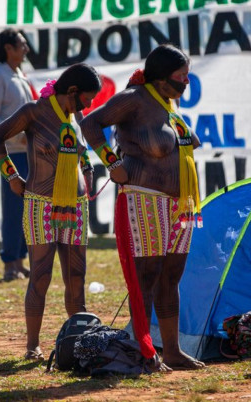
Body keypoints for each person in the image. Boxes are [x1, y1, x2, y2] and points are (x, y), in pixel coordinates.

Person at [80, 44, 205, 371]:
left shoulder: (168, 105)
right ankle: (144, 352)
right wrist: (111, 162)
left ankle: (173, 351)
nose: (186, 81)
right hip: (144, 197)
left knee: (171, 277)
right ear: (162, 77)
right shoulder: (133, 99)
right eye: (181, 76)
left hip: (180, 203)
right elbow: (91, 124)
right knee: (147, 276)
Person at [0, 63, 100, 360]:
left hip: (76, 205)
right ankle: (33, 345)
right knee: (41, 275)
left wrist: (88, 170)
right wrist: (11, 176)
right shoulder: (33, 112)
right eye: (86, 99)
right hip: (41, 204)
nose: (88, 105)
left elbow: (82, 149)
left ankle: (78, 341)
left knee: (76, 276)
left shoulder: (75, 116)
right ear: (72, 91)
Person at [0, 28, 36, 281]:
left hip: (28, 151)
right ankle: (8, 263)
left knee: (28, 207)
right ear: (8, 49)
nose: (26, 49)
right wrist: (15, 137)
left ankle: (20, 260)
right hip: (10, 152)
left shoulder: (19, 75)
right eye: (21, 44)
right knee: (13, 206)